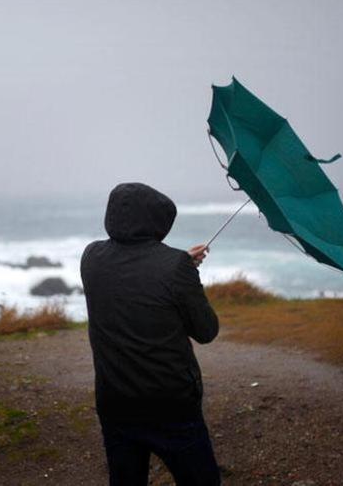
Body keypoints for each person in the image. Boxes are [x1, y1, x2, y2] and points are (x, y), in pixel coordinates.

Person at [81, 182, 221, 486]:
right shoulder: (174, 268)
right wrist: (185, 270)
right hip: (170, 403)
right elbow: (207, 331)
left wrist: (180, 264)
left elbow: (134, 274)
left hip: (114, 399)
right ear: (160, 220)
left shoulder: (91, 257)